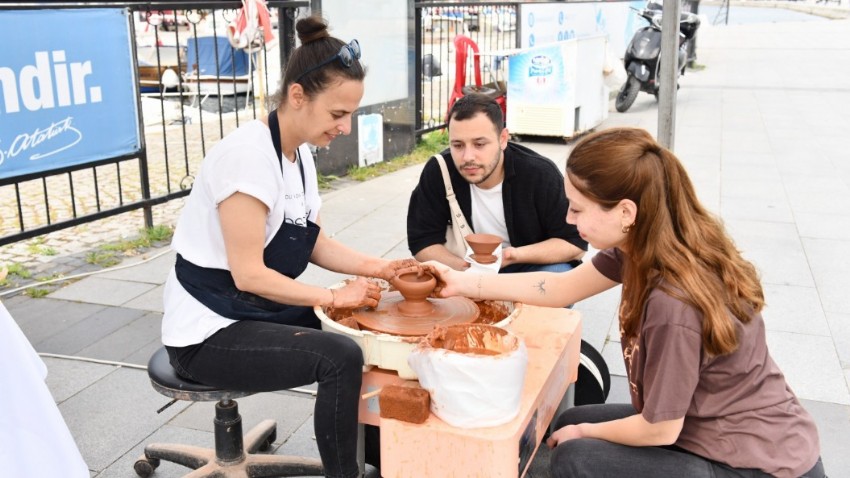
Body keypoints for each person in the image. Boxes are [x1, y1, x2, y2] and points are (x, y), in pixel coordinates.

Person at [423, 127, 825, 478]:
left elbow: (659, 430)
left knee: (575, 456)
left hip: (754, 465)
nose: (567, 218)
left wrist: (586, 436)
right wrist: (466, 284)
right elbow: (561, 289)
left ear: (626, 211)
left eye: (577, 208)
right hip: (709, 428)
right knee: (569, 419)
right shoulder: (643, 245)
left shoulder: (673, 304)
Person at [161, 16, 415, 478]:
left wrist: (384, 270)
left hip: (249, 310)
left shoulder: (297, 155)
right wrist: (335, 296)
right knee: (340, 357)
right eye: (338, 114)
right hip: (207, 331)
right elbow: (249, 275)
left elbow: (309, 240)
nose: (345, 126)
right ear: (298, 96)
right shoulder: (248, 157)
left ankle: (382, 462)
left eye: (350, 114)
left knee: (363, 330)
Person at [406, 93, 587, 272]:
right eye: (458, 145)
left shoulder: (539, 173)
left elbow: (574, 243)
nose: (468, 157)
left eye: (479, 144)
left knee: (558, 273)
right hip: (465, 267)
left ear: (502, 139)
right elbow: (422, 241)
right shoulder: (440, 170)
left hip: (528, 267)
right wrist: (469, 271)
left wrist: (510, 256)